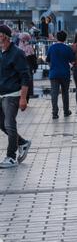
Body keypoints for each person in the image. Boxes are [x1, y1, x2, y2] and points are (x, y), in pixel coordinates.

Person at [0, 25, 31, 168]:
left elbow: (25, 76)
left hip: (12, 94)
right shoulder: (1, 52)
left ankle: (11, 157)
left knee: (9, 124)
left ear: (4, 36)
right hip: (1, 94)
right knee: (2, 123)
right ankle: (23, 143)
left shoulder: (17, 53)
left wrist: (23, 98)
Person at [46, 31, 75, 120]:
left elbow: (48, 60)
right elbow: (73, 62)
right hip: (65, 73)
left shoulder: (51, 48)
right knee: (65, 93)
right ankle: (66, 111)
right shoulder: (67, 48)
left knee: (54, 93)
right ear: (65, 38)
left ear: (56, 38)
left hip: (54, 73)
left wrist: (52, 67)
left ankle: (55, 113)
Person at [18, 32, 38, 101]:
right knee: (29, 82)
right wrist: (35, 67)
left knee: (21, 82)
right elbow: (33, 58)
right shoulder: (30, 47)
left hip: (20, 68)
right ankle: (27, 97)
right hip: (29, 67)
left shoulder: (18, 47)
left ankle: (21, 96)